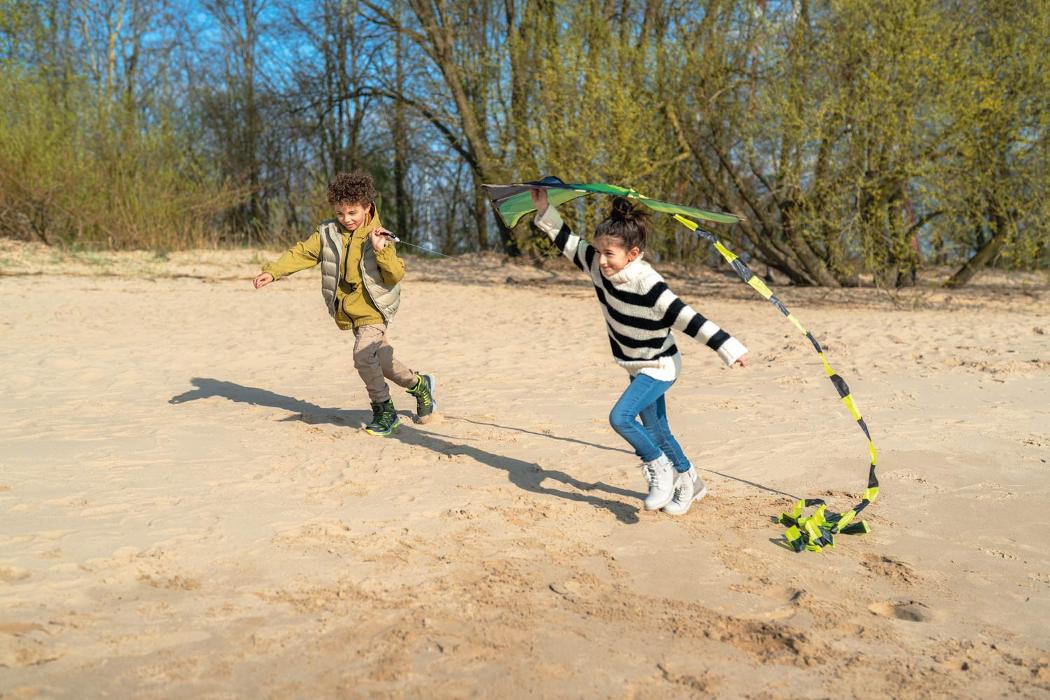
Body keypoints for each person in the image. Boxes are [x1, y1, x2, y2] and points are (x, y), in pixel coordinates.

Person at [530, 189, 748, 515]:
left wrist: (728, 347)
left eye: (609, 254)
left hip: (659, 366)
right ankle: (691, 481)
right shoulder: (597, 266)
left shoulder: (648, 284)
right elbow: (568, 241)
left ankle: (659, 467)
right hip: (635, 365)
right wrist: (544, 208)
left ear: (632, 254)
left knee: (621, 418)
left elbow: (687, 318)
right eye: (599, 251)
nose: (601, 260)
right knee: (658, 430)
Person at [253, 171, 436, 436]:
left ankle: (384, 410)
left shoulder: (379, 235)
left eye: (352, 212)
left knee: (363, 355)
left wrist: (381, 250)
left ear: (367, 207)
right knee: (383, 362)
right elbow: (302, 253)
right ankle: (420, 385)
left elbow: (395, 275)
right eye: (340, 213)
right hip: (349, 309)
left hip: (375, 309)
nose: (346, 219)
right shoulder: (327, 233)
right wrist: (273, 272)